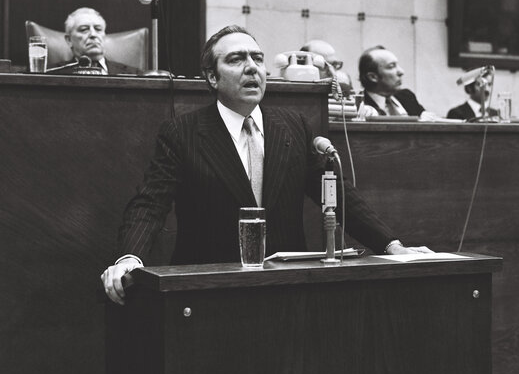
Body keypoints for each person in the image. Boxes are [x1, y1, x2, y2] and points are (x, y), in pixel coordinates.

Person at [101, 25, 432, 304]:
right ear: (212, 77)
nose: (251, 67)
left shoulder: (293, 126)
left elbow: (336, 194)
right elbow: (150, 203)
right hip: (207, 290)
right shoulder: (182, 132)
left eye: (257, 58)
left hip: (286, 288)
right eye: (236, 59)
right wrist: (129, 258)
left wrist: (392, 246)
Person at [358, 45, 438, 120]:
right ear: (373, 77)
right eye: (391, 66)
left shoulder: (407, 96)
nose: (401, 72)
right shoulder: (359, 106)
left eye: (397, 65)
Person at [52, 7, 136, 75]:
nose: (93, 34)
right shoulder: (52, 74)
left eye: (98, 29)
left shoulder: (133, 74)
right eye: (84, 29)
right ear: (69, 40)